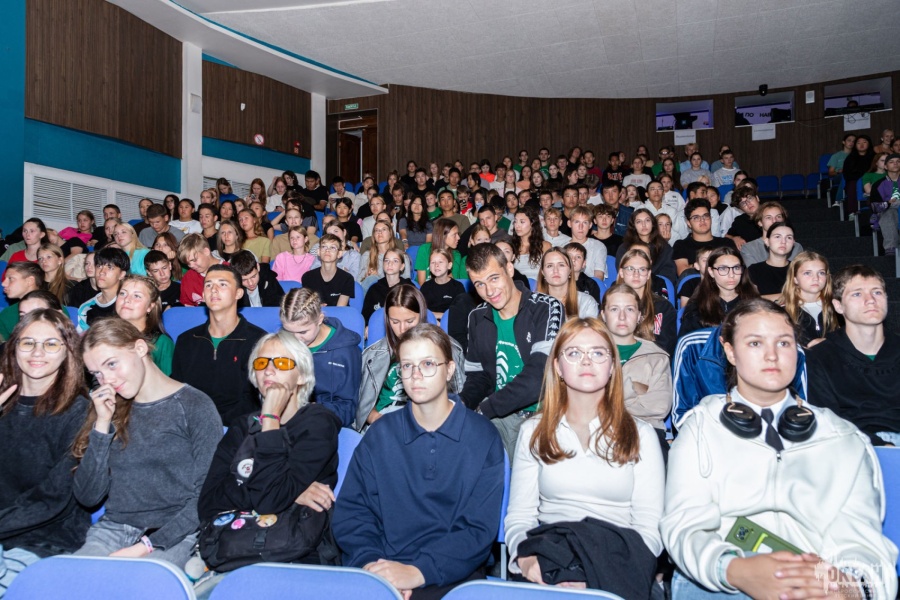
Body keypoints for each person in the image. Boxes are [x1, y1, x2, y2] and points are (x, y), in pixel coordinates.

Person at [661, 299, 898, 600]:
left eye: (783, 343)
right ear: (730, 352)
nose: (772, 355)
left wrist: (848, 588)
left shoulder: (841, 437)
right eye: (755, 343)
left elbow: (864, 547)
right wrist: (736, 570)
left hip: (815, 580)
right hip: (723, 578)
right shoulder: (700, 429)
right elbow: (685, 529)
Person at [334, 324, 504, 599]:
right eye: (407, 365)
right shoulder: (380, 434)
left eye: (427, 364)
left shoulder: (482, 436)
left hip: (454, 573)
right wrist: (373, 567)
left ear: (449, 370)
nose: (415, 375)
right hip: (382, 569)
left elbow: (477, 531)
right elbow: (354, 512)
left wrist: (418, 572)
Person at [505, 317, 664, 598]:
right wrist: (526, 559)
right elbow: (520, 517)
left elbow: (650, 529)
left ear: (612, 366)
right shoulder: (534, 431)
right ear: (558, 366)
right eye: (574, 353)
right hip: (551, 557)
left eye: (598, 353)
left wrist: (597, 574)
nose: (587, 361)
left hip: (620, 561)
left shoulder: (641, 434)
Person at [73, 318, 222, 568]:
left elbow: (207, 495)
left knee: (144, 581)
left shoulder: (195, 405)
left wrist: (148, 546)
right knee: (74, 578)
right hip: (115, 528)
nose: (106, 379)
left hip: (177, 532)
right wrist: (102, 425)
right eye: (96, 373)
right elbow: (88, 496)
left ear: (140, 348)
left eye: (112, 364)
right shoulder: (106, 409)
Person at [197, 329, 341, 585]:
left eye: (282, 363)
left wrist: (271, 418)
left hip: (296, 556)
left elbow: (270, 499)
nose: (269, 370)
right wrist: (291, 492)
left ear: (301, 376)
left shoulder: (318, 424)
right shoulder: (241, 427)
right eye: (261, 363)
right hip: (235, 552)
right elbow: (208, 503)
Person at [0, 310, 91, 592]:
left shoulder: (81, 412)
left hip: (44, 539)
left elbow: (53, 499)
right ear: (13, 348)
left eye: (51, 344)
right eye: (28, 342)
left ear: (68, 352)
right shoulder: (2, 402)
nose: (37, 352)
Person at [460, 243, 564, 457]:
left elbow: (540, 377)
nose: (489, 291)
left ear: (509, 268)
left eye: (494, 278)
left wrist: (485, 409)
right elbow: (478, 377)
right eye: (479, 284)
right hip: (499, 417)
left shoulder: (546, 308)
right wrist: (463, 402)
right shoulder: (477, 317)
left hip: (544, 413)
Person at [806, 265, 900, 445]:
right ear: (838, 306)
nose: (870, 300)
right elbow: (827, 422)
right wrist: (881, 446)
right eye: (857, 294)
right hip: (853, 444)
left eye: (877, 292)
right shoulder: (820, 357)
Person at [357, 284, 465, 429]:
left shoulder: (448, 349)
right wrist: (376, 418)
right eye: (395, 322)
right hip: (385, 421)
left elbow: (459, 399)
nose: (402, 329)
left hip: (432, 420)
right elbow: (362, 404)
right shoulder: (373, 355)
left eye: (409, 321)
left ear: (421, 316)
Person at [171, 264, 266, 425]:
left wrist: (215, 424)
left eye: (222, 284)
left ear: (238, 293)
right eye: (208, 285)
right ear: (203, 294)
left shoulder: (258, 341)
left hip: (237, 428)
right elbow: (177, 390)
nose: (213, 290)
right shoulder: (186, 340)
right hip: (189, 426)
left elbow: (254, 399)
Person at [601, 283, 672, 450]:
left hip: (646, 432)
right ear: (603, 315)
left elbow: (659, 407)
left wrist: (610, 387)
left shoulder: (657, 356)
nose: (622, 317)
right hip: (598, 429)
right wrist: (635, 387)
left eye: (630, 309)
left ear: (639, 315)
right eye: (614, 309)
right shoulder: (588, 351)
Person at [279, 288, 361, 428]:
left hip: (324, 421)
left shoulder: (346, 352)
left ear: (320, 319)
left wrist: (310, 410)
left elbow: (348, 409)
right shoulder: (280, 344)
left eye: (303, 332)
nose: (295, 339)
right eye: (288, 331)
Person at [680, 247, 759, 337]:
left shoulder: (754, 303)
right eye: (723, 269)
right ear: (711, 272)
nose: (731, 275)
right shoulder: (697, 306)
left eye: (736, 268)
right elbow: (687, 342)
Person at [616, 248, 677, 355]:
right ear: (621, 272)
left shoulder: (663, 307)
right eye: (630, 269)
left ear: (648, 274)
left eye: (642, 269)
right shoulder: (611, 304)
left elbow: (666, 347)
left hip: (651, 360)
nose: (636, 274)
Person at [114, 275, 174, 375]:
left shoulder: (162, 343)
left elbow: (170, 382)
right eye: (122, 293)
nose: (126, 299)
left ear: (150, 306)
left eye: (136, 296)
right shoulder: (105, 337)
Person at [779, 251, 839, 346]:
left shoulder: (837, 307)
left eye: (821, 273)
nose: (816, 278)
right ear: (795, 279)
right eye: (807, 273)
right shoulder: (783, 312)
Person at [673, 199, 737, 276]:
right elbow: (683, 272)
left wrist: (698, 266)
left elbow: (736, 267)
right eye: (696, 218)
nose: (702, 220)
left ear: (711, 218)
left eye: (705, 216)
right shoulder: (681, 245)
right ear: (688, 223)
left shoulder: (726, 243)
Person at [76, 248, 129, 333]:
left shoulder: (129, 304)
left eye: (110, 267)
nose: (101, 272)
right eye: (99, 266)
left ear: (122, 274)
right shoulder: (86, 308)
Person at [536, 247, 599, 319]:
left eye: (561, 265)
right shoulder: (531, 304)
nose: (555, 270)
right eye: (549, 266)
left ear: (570, 270)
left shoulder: (587, 302)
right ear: (543, 272)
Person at [740, 202, 804, 266]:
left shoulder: (795, 247)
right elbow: (754, 271)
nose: (774, 221)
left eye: (778, 216)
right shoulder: (749, 248)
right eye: (769, 217)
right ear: (760, 222)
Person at [302, 234, 355, 307]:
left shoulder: (347, 279)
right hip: (315, 313)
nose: (327, 250)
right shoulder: (307, 277)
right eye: (324, 247)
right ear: (318, 251)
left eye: (332, 247)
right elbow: (307, 306)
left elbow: (340, 308)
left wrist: (321, 308)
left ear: (339, 254)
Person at [361, 250, 413, 325]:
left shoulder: (408, 288)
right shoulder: (374, 289)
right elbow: (366, 316)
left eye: (395, 261)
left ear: (402, 266)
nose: (390, 264)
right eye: (386, 260)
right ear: (383, 265)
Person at [748, 222, 795, 300]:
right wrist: (787, 296)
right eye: (777, 237)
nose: (783, 241)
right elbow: (751, 300)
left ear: (793, 243)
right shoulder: (754, 270)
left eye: (789, 237)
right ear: (767, 241)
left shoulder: (798, 269)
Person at [178, 234, 226, 307]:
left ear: (206, 251)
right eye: (188, 263)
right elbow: (187, 306)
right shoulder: (188, 278)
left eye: (194, 260)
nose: (191, 266)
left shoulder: (229, 272)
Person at [414, 219, 466, 285]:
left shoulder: (456, 255)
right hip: (425, 288)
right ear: (443, 236)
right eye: (454, 235)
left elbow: (453, 282)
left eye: (458, 234)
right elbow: (422, 283)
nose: (458, 238)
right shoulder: (424, 249)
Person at [868, 153, 900, 256]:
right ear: (886, 166)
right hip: (887, 211)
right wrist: (888, 203)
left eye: (898, 161)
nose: (895, 163)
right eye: (891, 162)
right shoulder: (878, 184)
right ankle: (891, 248)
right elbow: (875, 207)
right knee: (889, 212)